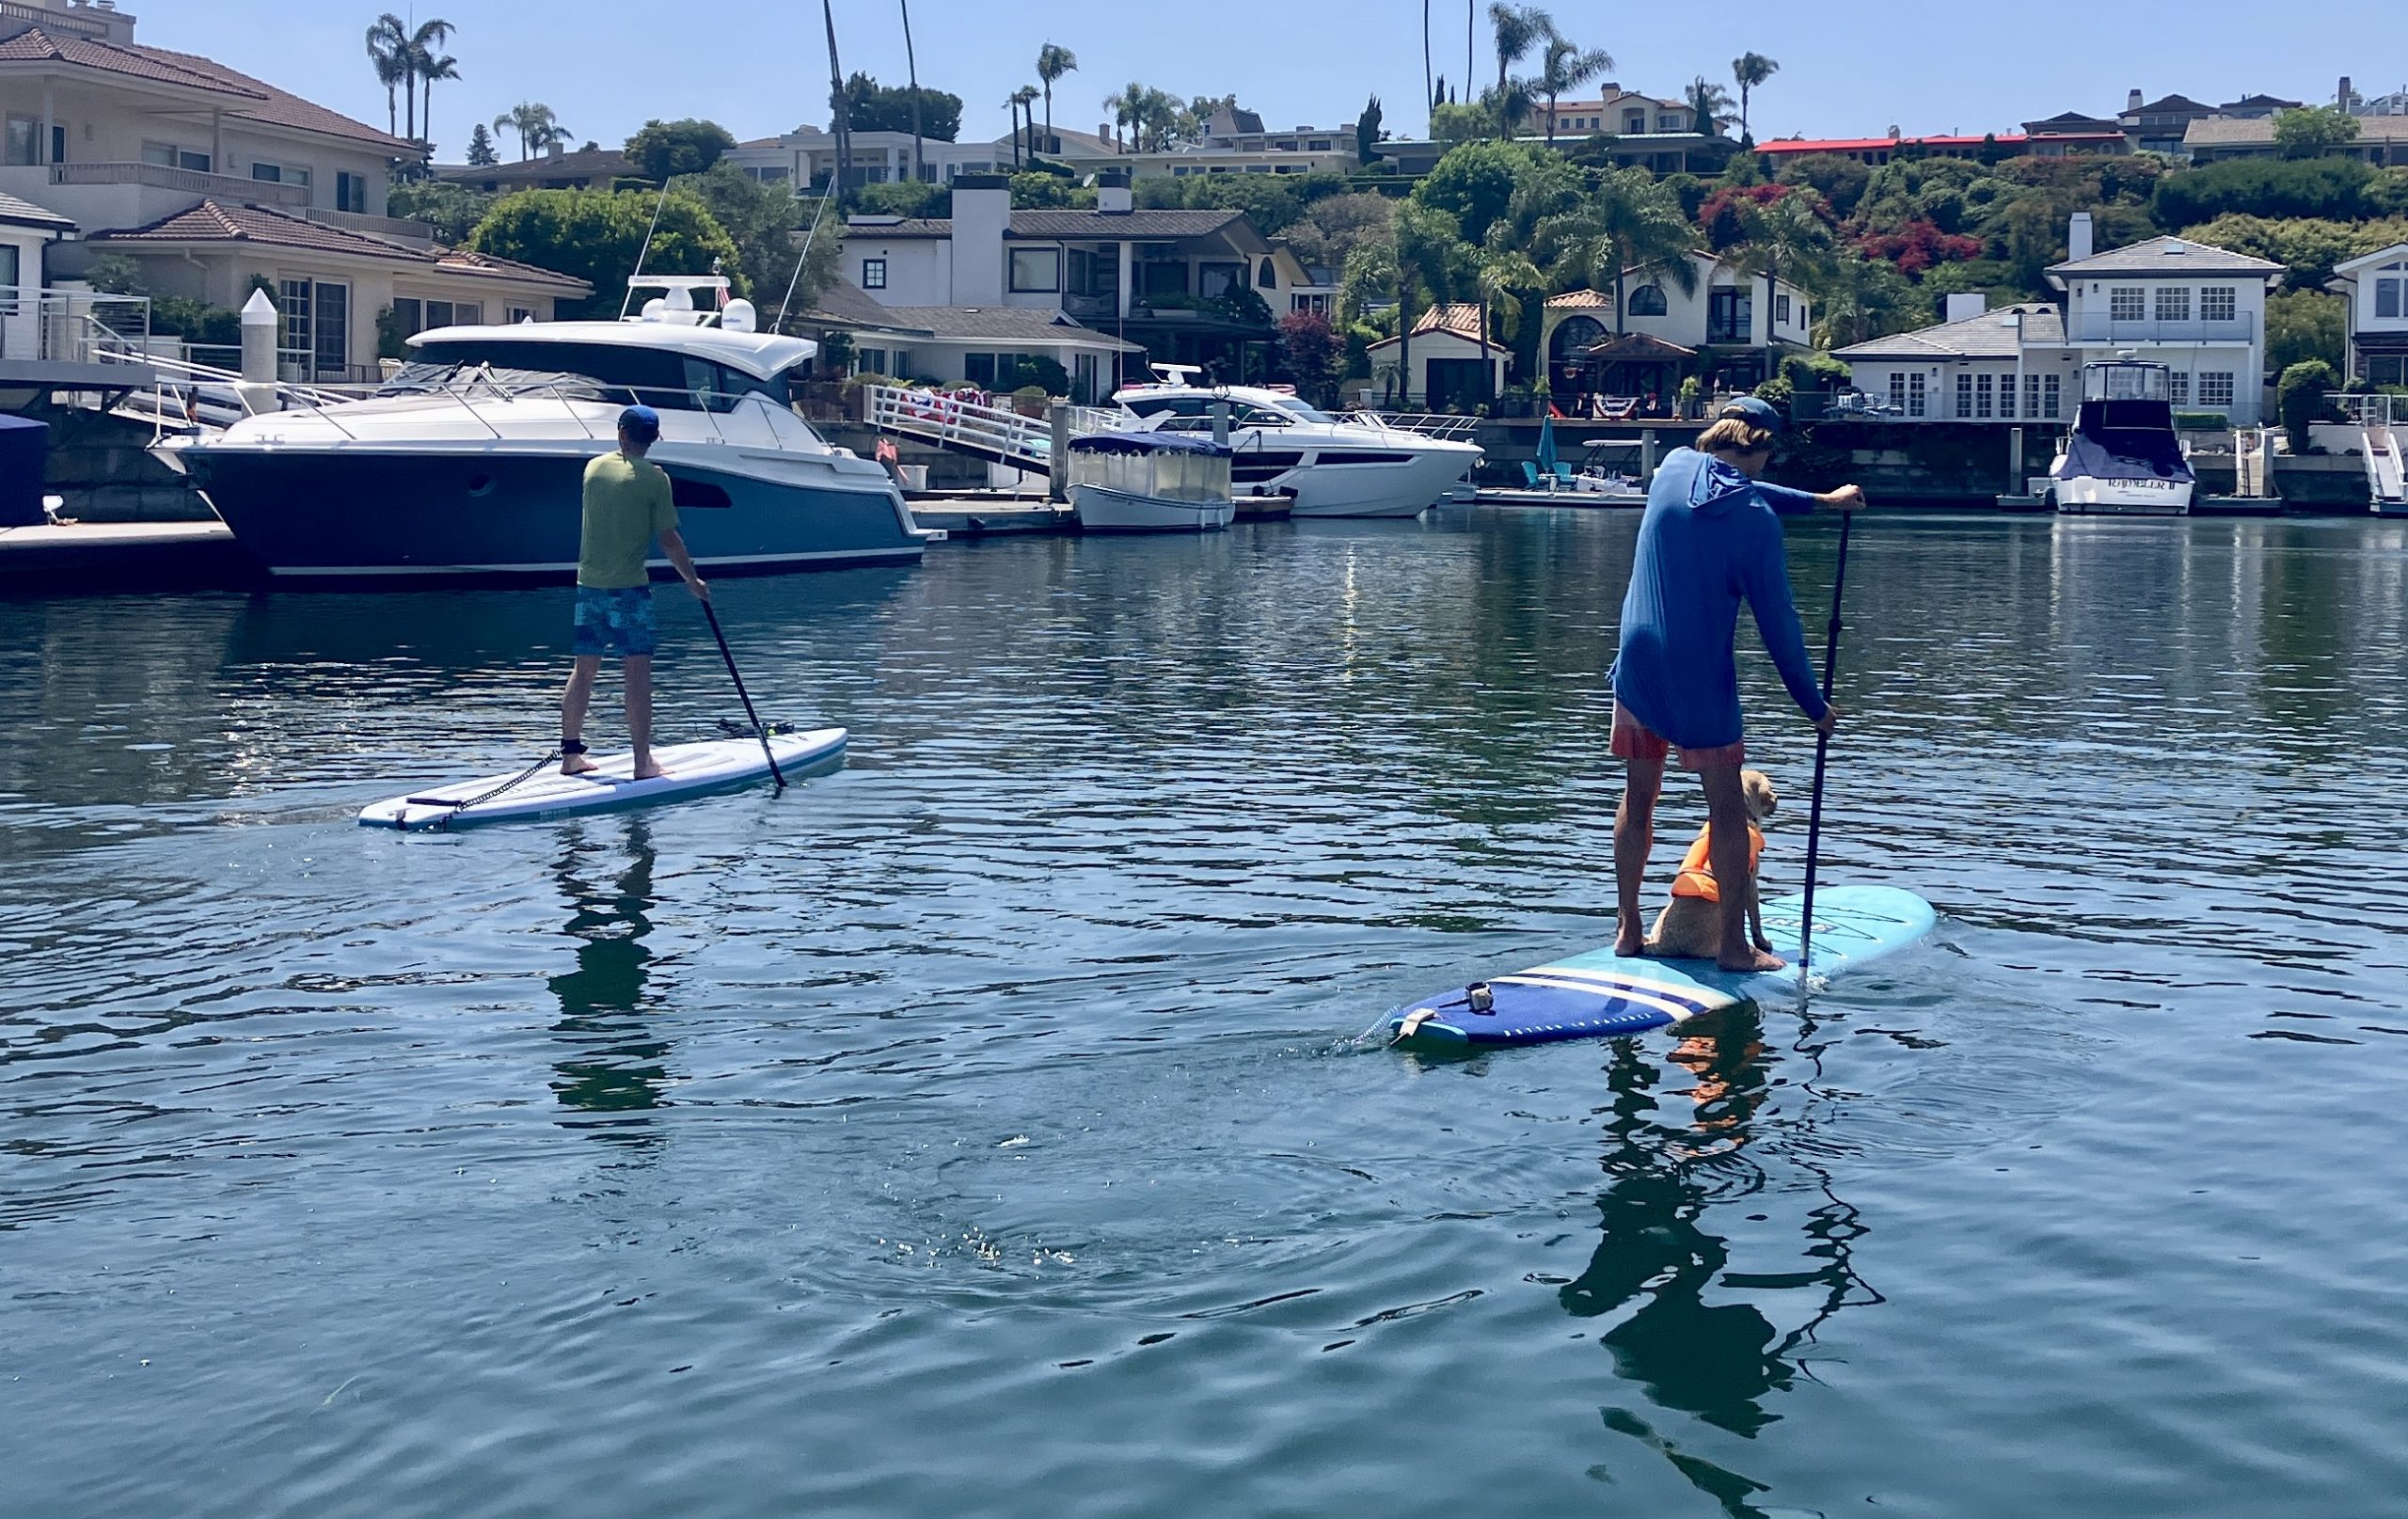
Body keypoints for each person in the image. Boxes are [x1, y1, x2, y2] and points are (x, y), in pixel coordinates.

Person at [1608, 396, 1864, 972]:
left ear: (1715, 437)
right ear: (1765, 451)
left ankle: (1628, 929)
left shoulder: (1671, 466)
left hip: (1637, 661)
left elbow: (1737, 486)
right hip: (1698, 676)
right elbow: (1781, 626)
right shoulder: (1755, 520)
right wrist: (1812, 704)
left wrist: (1820, 503)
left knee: (1639, 795)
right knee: (1727, 807)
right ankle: (1732, 949)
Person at [561, 404, 708, 781]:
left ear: (621, 434)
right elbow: (670, 540)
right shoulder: (656, 480)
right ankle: (642, 762)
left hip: (589, 587)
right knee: (636, 675)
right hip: (629, 591)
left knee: (584, 670)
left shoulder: (593, 469)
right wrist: (691, 580)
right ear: (654, 438)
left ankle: (570, 755)